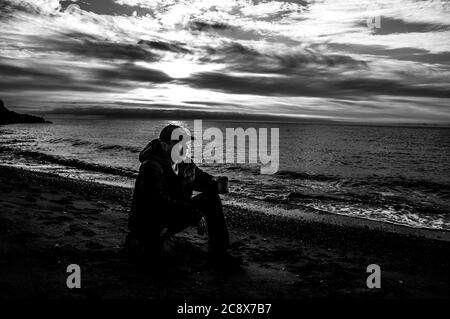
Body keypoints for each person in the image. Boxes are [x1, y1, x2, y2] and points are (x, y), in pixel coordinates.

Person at [127, 124, 242, 268]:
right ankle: (144, 243)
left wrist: (217, 184)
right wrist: (194, 214)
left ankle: (219, 254)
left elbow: (201, 179)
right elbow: (158, 201)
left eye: (186, 144)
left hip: (173, 216)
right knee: (154, 257)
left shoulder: (185, 163)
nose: (185, 148)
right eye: (179, 144)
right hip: (150, 221)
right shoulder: (151, 166)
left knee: (211, 198)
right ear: (164, 145)